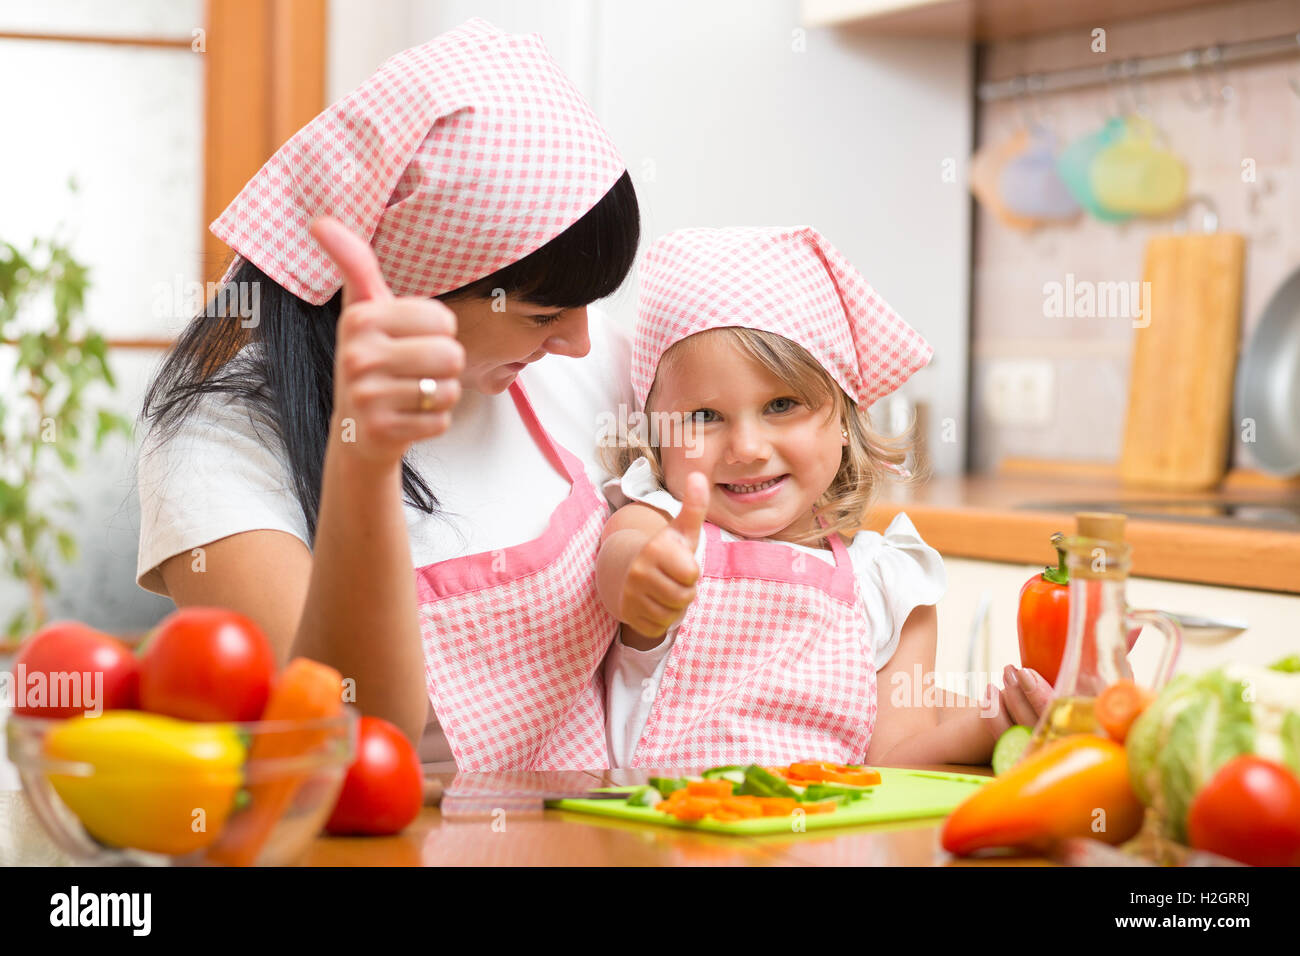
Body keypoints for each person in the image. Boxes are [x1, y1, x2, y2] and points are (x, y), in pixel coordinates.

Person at [136, 19, 640, 770]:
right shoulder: (217, 446)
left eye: (585, 308)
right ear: (413, 283)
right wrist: (365, 461)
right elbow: (335, 738)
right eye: (543, 316)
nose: (581, 343)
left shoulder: (569, 371)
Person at [597, 226, 1050, 768]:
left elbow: (897, 757)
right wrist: (646, 577)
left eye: (782, 405)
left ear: (846, 417)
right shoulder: (662, 526)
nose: (747, 448)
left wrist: (997, 726)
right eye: (704, 417)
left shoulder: (888, 584)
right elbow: (620, 565)